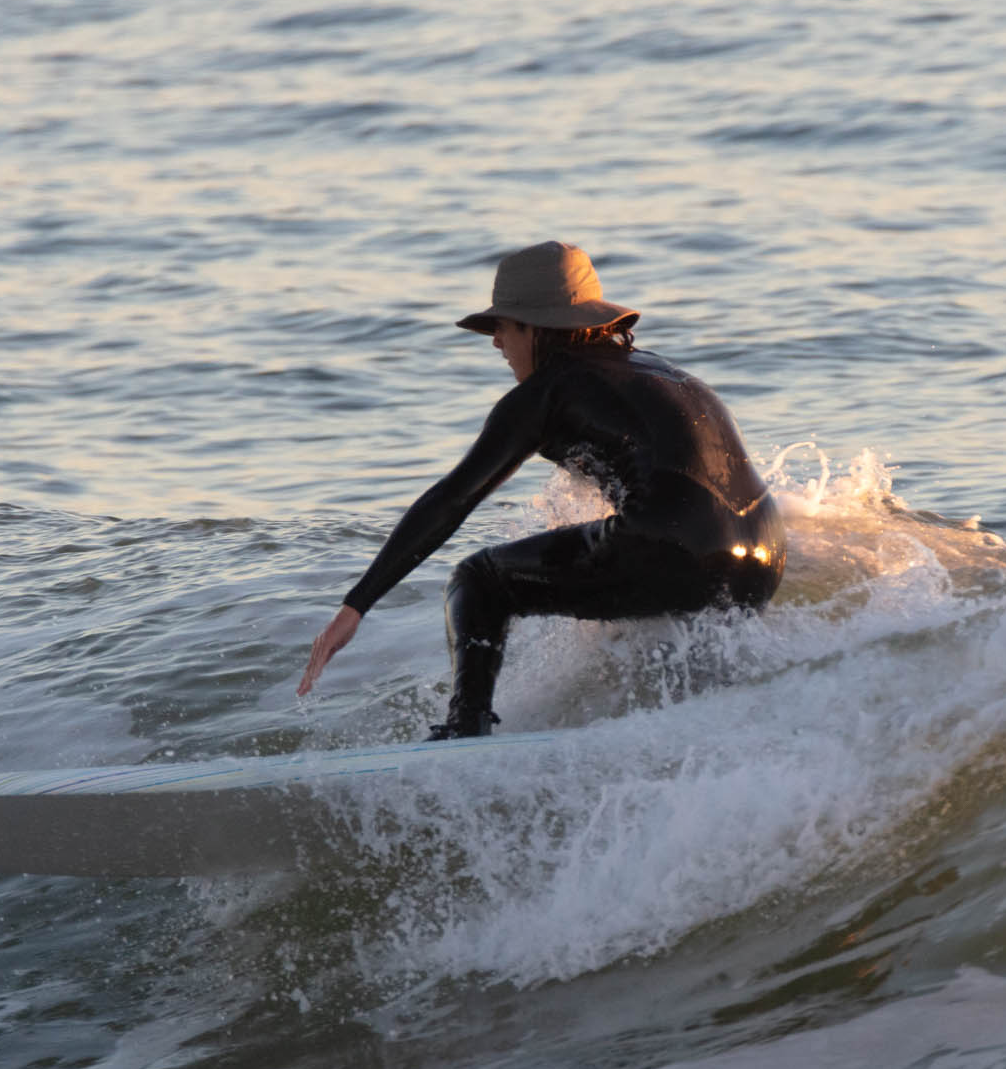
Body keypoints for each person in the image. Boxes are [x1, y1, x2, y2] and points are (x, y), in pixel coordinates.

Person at [297, 241, 784, 738]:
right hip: (762, 553)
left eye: (503, 328)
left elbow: (453, 498)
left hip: (678, 546)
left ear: (536, 328)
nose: (496, 344)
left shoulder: (547, 392)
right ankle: (702, 730)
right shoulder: (657, 369)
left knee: (479, 580)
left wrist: (356, 605)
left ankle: (466, 730)